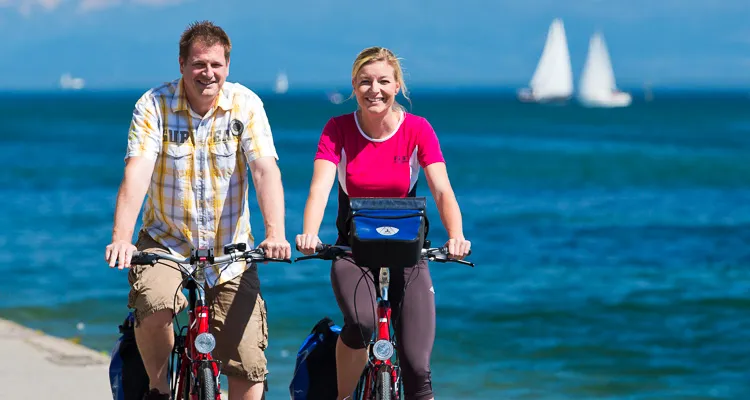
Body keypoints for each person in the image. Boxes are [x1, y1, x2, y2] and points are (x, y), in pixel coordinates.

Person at [104, 21, 291, 400]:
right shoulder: (153, 105)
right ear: (182, 64)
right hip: (166, 243)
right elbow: (137, 171)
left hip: (230, 253)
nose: (208, 73)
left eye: (216, 65)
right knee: (155, 304)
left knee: (249, 365)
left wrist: (275, 234)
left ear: (227, 66)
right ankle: (158, 388)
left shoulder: (246, 105)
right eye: (199, 64)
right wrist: (121, 239)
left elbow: (264, 169)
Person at [295, 46, 471, 400]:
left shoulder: (418, 130)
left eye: (383, 81)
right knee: (361, 325)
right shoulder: (338, 129)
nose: (374, 89)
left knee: (418, 369)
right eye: (365, 82)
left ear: (397, 86)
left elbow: (441, 189)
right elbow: (320, 188)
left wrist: (457, 236)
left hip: (409, 254)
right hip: (352, 252)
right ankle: (343, 395)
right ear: (354, 87)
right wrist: (310, 233)